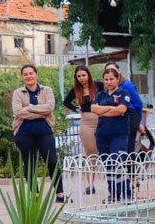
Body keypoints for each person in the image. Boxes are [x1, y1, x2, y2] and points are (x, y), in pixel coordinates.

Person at [11, 64, 65, 202]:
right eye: (25, 74)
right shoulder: (18, 92)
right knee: (30, 163)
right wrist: (40, 113)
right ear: (22, 77)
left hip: (44, 131)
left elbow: (49, 108)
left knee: (52, 161)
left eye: (31, 73)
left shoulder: (47, 90)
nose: (28, 76)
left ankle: (60, 193)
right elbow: (18, 112)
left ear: (36, 75)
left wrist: (28, 108)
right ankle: (35, 194)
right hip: (24, 133)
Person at [91, 67, 132, 202]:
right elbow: (94, 109)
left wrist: (104, 110)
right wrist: (110, 109)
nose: (109, 82)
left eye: (111, 79)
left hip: (119, 134)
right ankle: (113, 193)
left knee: (118, 163)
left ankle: (125, 193)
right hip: (102, 133)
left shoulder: (123, 93)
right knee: (107, 164)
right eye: (106, 79)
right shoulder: (100, 95)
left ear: (117, 79)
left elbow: (121, 110)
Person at [63, 65, 103, 194]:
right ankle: (88, 183)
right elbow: (66, 102)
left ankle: (97, 179)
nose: (82, 78)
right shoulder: (76, 90)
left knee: (98, 152)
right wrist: (76, 109)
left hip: (101, 119)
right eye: (79, 76)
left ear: (88, 75)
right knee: (89, 152)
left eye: (83, 75)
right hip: (86, 121)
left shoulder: (99, 86)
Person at [103, 62, 145, 156]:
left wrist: (137, 122)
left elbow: (138, 104)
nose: (110, 73)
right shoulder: (109, 89)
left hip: (130, 115)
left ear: (119, 71)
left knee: (128, 146)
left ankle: (130, 169)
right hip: (116, 118)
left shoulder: (127, 86)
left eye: (113, 70)